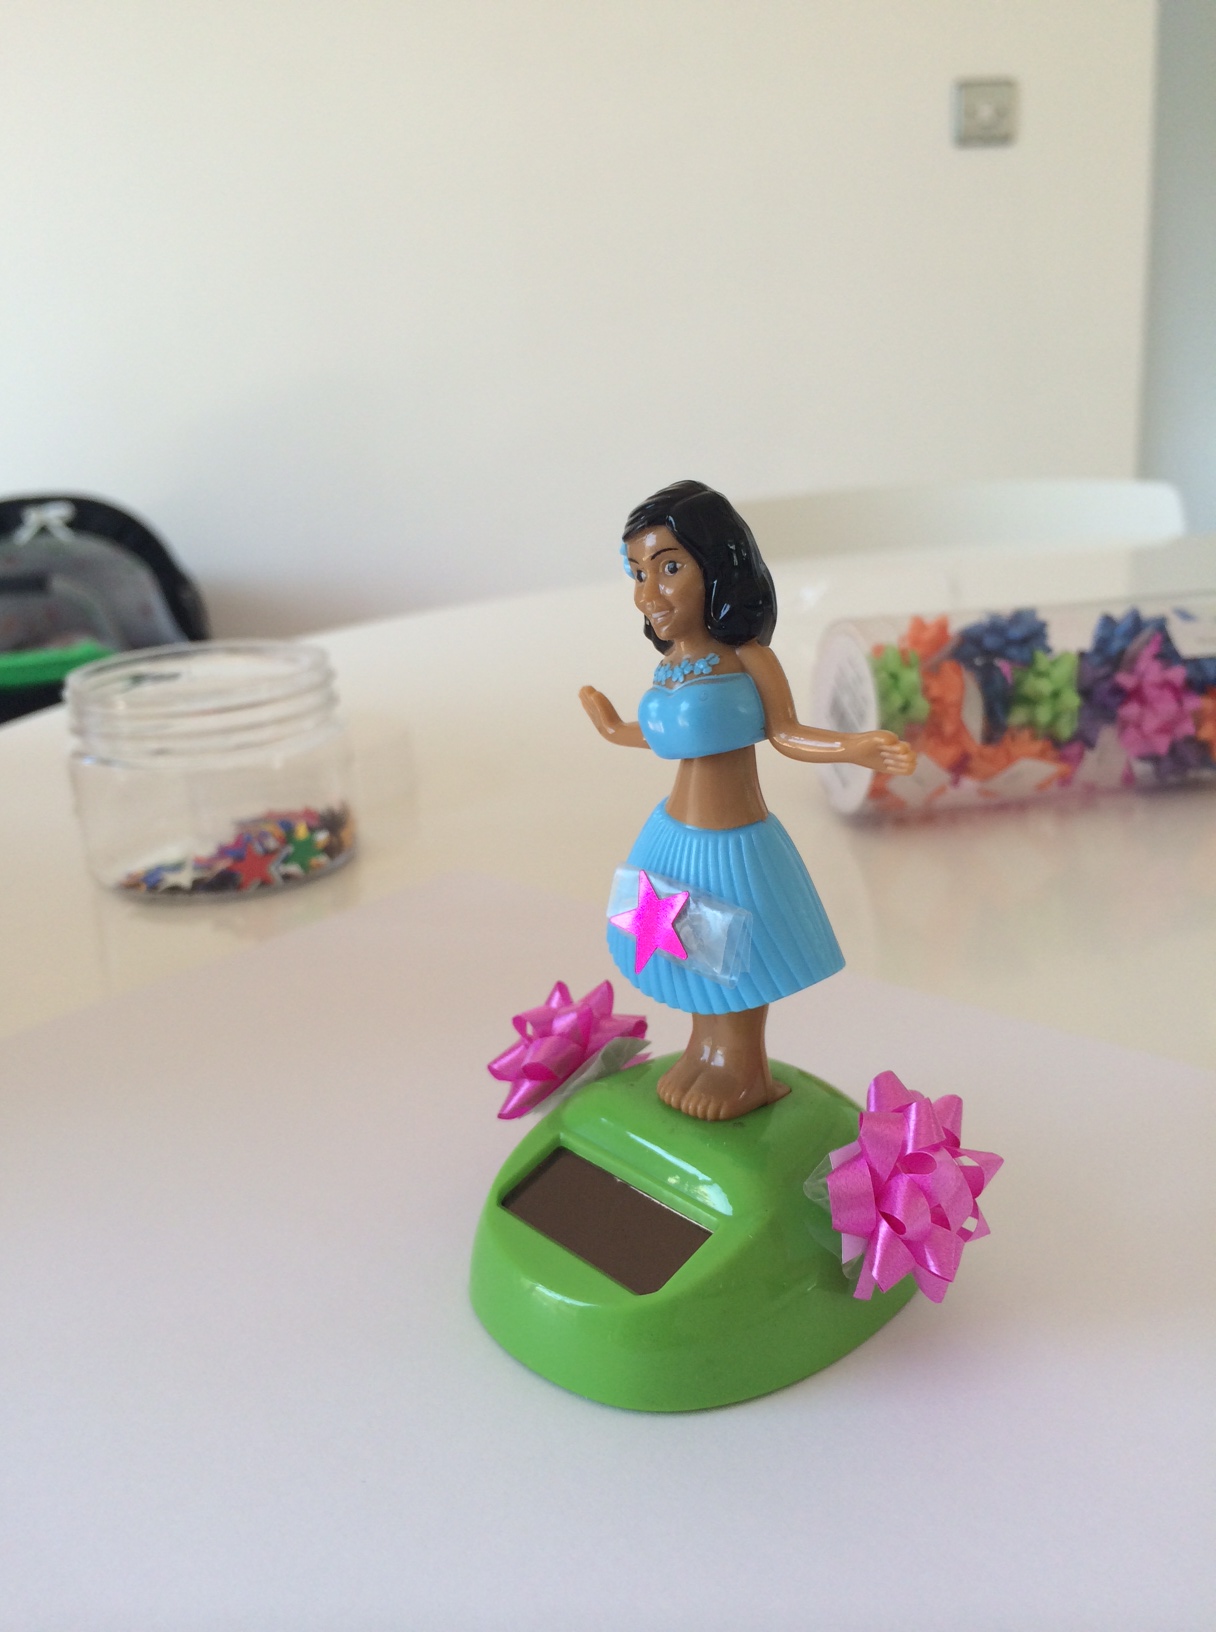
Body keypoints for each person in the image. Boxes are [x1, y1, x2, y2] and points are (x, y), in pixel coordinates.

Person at [580, 479, 915, 1122]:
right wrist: (611, 726)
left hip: (732, 842)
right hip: (673, 836)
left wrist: (854, 747)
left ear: (718, 566)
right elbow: (659, 734)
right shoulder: (673, 663)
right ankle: (703, 1051)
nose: (649, 593)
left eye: (669, 568)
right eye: (638, 573)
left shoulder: (747, 658)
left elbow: (785, 732)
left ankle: (742, 1068)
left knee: (732, 958)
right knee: (690, 955)